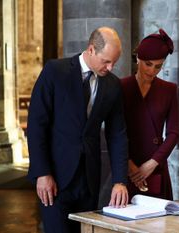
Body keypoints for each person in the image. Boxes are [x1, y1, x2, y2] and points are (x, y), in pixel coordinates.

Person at [27, 27, 129, 233]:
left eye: (114, 62)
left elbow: (117, 134)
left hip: (89, 181)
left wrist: (120, 180)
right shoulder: (55, 71)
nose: (110, 67)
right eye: (106, 61)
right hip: (54, 180)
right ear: (91, 49)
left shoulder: (113, 85)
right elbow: (37, 125)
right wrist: (42, 173)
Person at [120, 29, 179, 200]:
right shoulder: (120, 87)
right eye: (148, 64)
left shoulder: (169, 90)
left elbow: (174, 133)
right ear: (138, 58)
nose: (152, 71)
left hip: (155, 166)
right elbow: (113, 129)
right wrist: (129, 164)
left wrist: (152, 163)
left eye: (158, 66)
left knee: (158, 224)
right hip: (124, 164)